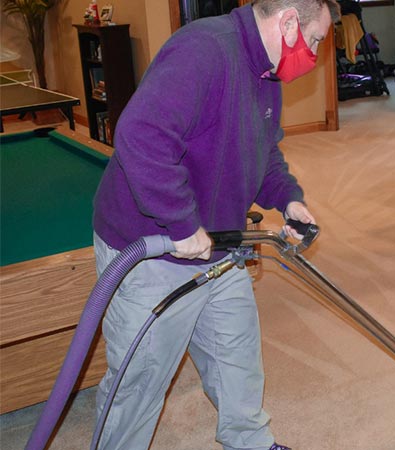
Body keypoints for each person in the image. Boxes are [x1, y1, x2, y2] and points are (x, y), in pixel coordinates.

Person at [91, 1, 340, 449]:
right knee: (139, 381)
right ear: (287, 23)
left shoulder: (268, 75)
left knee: (237, 357)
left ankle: (251, 442)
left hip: (219, 244)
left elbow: (264, 151)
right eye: (316, 39)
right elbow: (139, 135)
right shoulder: (203, 50)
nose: (317, 53)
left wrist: (290, 200)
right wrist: (183, 223)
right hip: (153, 246)